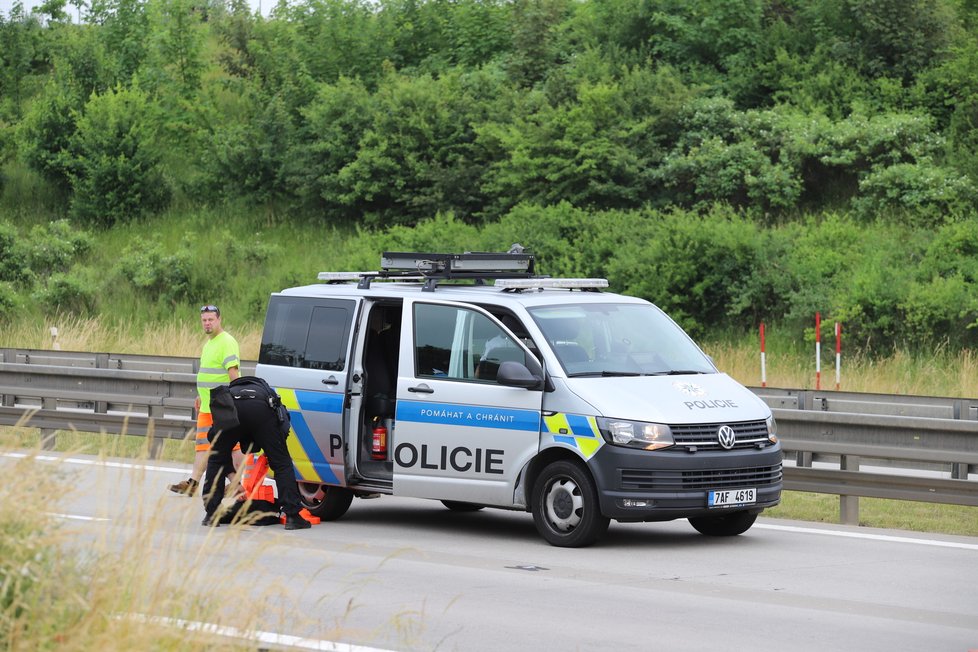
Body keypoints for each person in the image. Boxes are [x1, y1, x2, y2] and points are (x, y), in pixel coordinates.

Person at [200, 376, 311, 530]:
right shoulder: (268, 393)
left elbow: (216, 444)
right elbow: (283, 424)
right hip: (262, 412)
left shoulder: (229, 396)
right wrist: (275, 449)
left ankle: (211, 515)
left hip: (232, 408)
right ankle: (292, 516)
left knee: (215, 460)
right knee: (282, 464)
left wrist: (228, 471)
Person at [168, 304, 242, 496]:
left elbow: (233, 374)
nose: (207, 323)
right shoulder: (209, 344)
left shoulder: (227, 341)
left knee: (233, 449)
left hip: (223, 406)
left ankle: (238, 484)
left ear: (219, 320)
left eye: (211, 319)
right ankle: (192, 484)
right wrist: (201, 394)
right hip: (207, 406)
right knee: (202, 447)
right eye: (204, 320)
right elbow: (209, 374)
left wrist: (236, 401)